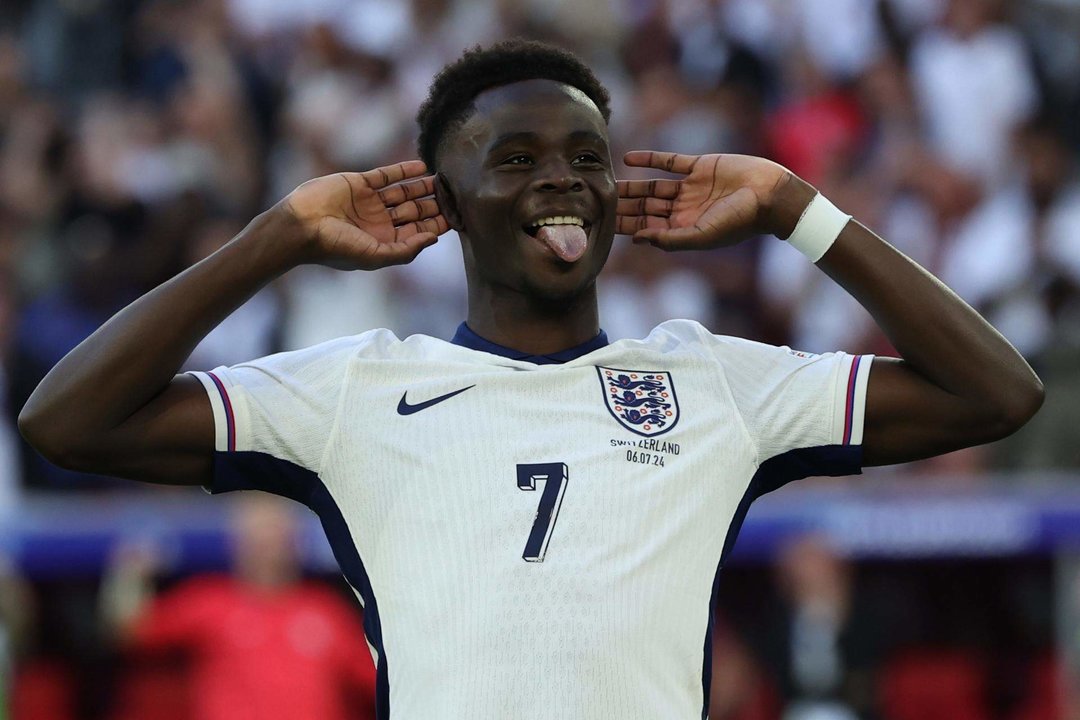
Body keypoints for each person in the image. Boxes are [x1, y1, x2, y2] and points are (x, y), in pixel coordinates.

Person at [17, 39, 1043, 719]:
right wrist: (272, 242)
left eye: (586, 154)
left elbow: (996, 393)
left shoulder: (714, 381)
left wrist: (795, 210)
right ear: (448, 201)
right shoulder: (351, 393)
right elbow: (68, 420)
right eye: (514, 157)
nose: (561, 176)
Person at [100, 494, 377, 720]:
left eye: (276, 532)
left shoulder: (325, 610)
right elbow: (127, 630)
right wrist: (129, 572)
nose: (268, 544)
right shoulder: (211, 601)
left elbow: (379, 682)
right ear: (238, 541)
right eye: (257, 533)